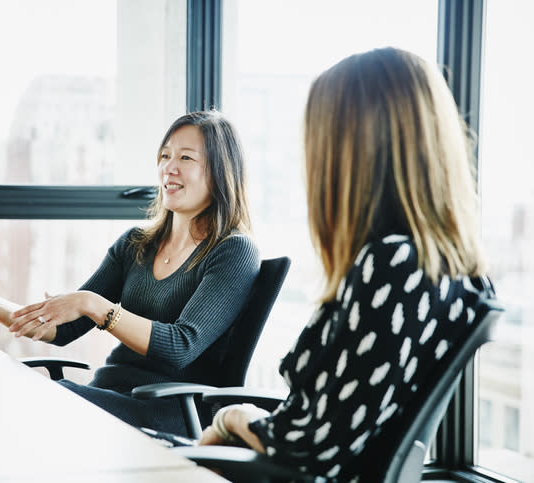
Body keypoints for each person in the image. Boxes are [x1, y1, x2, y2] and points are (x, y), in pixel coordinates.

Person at [197, 47, 495, 481]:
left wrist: (231, 418)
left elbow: (311, 444)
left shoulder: (392, 269)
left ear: (347, 151)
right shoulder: (450, 269)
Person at [0, 110, 260, 436]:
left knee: (36, 404)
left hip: (168, 410)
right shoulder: (136, 244)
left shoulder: (233, 251)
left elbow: (181, 346)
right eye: (165, 155)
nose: (169, 167)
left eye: (186, 158)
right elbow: (64, 329)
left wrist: (95, 305)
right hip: (109, 394)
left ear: (219, 171)